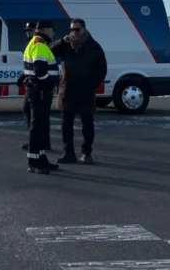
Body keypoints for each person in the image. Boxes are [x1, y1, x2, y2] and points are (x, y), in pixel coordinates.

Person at [50, 18, 107, 164]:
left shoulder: (94, 46)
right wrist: (63, 40)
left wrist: (91, 85)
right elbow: (50, 51)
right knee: (66, 124)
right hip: (68, 91)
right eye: (71, 29)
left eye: (77, 29)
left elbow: (102, 70)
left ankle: (86, 153)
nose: (74, 32)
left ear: (84, 29)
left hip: (86, 92)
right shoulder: (66, 45)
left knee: (87, 124)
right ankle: (68, 153)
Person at [23, 20, 60, 174]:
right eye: (52, 30)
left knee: (42, 127)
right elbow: (40, 70)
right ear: (45, 30)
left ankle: (42, 159)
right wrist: (51, 84)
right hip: (41, 91)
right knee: (38, 127)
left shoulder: (35, 42)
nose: (54, 33)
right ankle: (34, 162)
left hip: (37, 90)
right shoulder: (40, 45)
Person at [19, 22, 50, 152]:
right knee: (31, 112)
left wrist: (48, 83)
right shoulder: (33, 43)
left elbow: (39, 67)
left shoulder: (38, 43)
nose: (27, 32)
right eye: (26, 30)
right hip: (33, 84)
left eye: (29, 30)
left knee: (38, 115)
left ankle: (39, 142)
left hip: (38, 86)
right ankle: (37, 140)